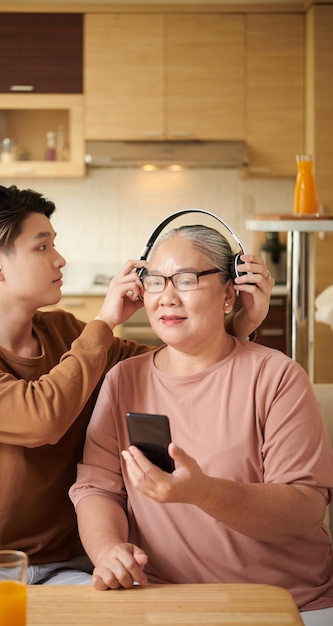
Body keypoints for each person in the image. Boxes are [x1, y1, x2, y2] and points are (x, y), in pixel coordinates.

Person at [0, 184, 273, 587]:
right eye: (43, 247)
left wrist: (238, 327)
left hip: (65, 564)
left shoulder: (66, 331)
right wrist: (103, 322)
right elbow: (39, 419)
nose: (60, 259)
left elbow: (175, 367)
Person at [70, 223, 333, 625]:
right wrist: (108, 550)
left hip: (284, 603)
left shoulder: (277, 377)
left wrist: (203, 492)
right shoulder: (122, 379)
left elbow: (305, 510)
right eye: (155, 282)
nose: (168, 297)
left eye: (187, 280)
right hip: (162, 599)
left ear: (229, 293)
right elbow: (97, 488)